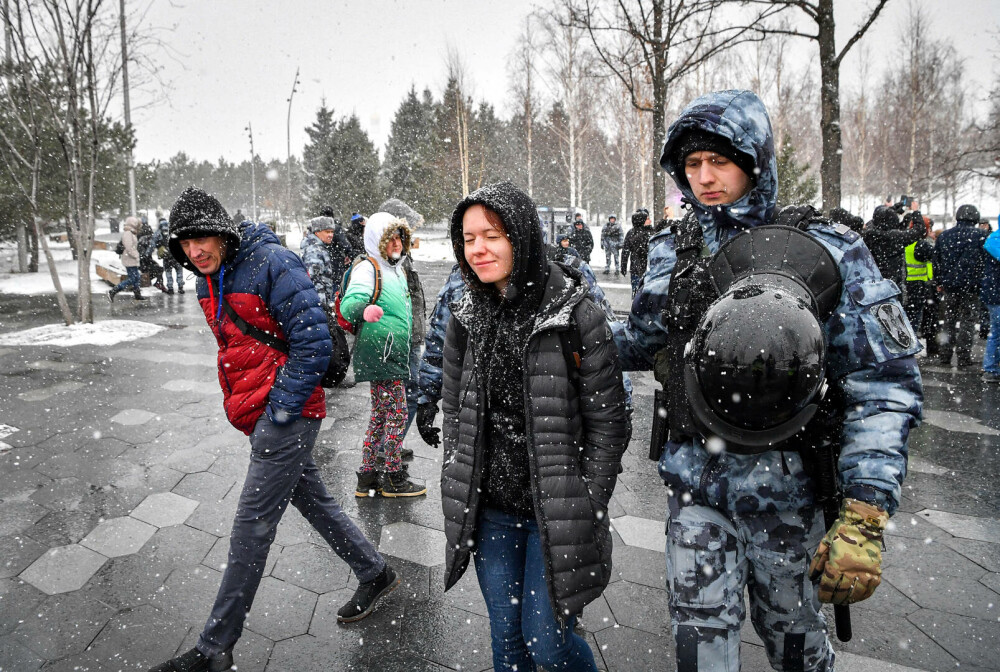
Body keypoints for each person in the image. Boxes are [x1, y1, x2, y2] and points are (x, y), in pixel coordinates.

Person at [612, 90, 922, 672]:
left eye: (720, 162)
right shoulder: (671, 251)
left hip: (789, 491)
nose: (703, 177)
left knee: (797, 645)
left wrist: (865, 511)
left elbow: (884, 379)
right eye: (691, 164)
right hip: (694, 486)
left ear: (755, 161)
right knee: (699, 643)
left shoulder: (825, 247)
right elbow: (642, 340)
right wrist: (566, 329)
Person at [148, 188, 398, 672]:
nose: (194, 250)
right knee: (316, 502)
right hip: (258, 412)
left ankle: (214, 648)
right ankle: (376, 571)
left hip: (288, 414)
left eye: (202, 238)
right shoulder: (208, 281)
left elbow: (313, 343)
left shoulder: (273, 262)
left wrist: (280, 410)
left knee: (251, 525)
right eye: (184, 243)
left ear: (222, 232)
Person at [441, 181, 628, 672]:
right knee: (506, 644)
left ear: (521, 236)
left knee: (548, 645)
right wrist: (455, 472)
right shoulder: (465, 311)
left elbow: (610, 421)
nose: (478, 249)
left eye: (492, 235)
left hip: (557, 509)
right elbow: (454, 407)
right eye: (468, 238)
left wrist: (589, 497)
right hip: (491, 510)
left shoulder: (575, 311)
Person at [339, 211, 426, 497]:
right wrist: (363, 309)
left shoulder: (394, 268)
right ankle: (392, 477)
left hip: (390, 351)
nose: (398, 243)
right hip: (383, 352)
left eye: (401, 237)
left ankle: (367, 476)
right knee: (397, 414)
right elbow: (349, 303)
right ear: (378, 240)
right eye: (391, 238)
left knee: (380, 415)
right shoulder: (369, 267)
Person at [378, 198, 428, 442]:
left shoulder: (398, 256)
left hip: (405, 336)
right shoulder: (390, 260)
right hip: (400, 339)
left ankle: (389, 445)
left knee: (397, 396)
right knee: (408, 395)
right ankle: (389, 448)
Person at [933, 204, 988, 367]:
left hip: (950, 285)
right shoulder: (981, 236)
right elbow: (984, 261)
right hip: (972, 286)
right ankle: (963, 356)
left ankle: (945, 354)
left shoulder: (945, 236)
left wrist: (939, 281)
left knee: (949, 320)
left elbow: (936, 261)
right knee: (968, 322)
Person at [862, 205, 926, 286]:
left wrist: (891, 210)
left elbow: (876, 221)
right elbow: (919, 231)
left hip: (872, 281)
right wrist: (916, 212)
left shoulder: (869, 234)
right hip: (893, 283)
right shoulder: (894, 237)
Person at [300, 215, 349, 309]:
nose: (331, 235)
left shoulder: (318, 247)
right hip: (318, 304)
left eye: (332, 232)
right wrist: (323, 306)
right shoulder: (314, 251)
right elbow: (315, 280)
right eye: (327, 232)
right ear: (317, 232)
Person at [902, 215, 935, 331]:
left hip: (904, 283)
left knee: (905, 316)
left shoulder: (904, 240)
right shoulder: (922, 245)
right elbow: (935, 257)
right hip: (917, 285)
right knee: (914, 317)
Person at [108, 216, 147, 302]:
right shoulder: (128, 233)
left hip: (131, 259)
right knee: (132, 278)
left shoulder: (131, 233)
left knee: (136, 277)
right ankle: (113, 291)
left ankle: (137, 294)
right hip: (129, 259)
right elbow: (129, 247)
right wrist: (136, 255)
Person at [982, 224, 1000, 383]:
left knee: (996, 332)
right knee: (997, 332)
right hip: (996, 295)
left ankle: (991, 368)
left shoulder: (992, 240)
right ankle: (990, 368)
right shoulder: (995, 242)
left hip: (992, 293)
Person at [620, 208, 653, 296]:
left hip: (647, 268)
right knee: (637, 292)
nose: (650, 220)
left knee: (643, 293)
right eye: (647, 219)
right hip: (637, 268)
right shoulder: (636, 233)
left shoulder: (650, 232)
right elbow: (625, 251)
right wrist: (623, 265)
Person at [153, 217, 186, 294]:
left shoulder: (159, 233)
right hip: (176, 256)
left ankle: (170, 288)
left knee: (168, 273)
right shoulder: (173, 231)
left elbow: (155, 242)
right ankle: (180, 287)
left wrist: (160, 246)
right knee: (179, 272)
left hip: (166, 256)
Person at [138, 218, 167, 293]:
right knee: (158, 269)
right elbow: (144, 254)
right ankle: (152, 282)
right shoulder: (143, 242)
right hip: (142, 261)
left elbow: (152, 247)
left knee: (159, 269)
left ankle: (156, 282)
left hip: (143, 260)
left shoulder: (144, 240)